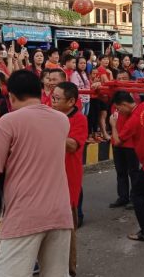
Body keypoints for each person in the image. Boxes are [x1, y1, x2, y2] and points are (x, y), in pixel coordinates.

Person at [0, 70, 73, 276]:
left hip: (24, 215)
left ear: (11, 96)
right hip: (59, 213)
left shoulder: (8, 122)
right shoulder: (62, 120)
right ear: (42, 91)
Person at [110, 92, 144, 243]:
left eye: (119, 108)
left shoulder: (133, 120)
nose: (119, 112)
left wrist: (113, 125)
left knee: (137, 195)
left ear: (124, 104)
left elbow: (117, 141)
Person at [51, 82, 88, 276]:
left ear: (72, 101)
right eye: (52, 97)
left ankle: (69, 270)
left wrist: (49, 129)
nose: (52, 102)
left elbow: (73, 145)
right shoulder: (51, 115)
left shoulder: (79, 119)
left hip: (67, 181)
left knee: (67, 232)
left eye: (57, 99)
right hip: (48, 181)